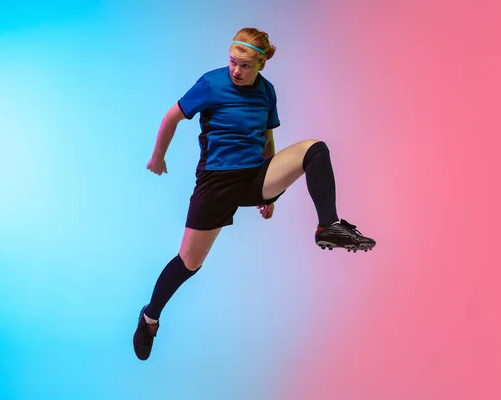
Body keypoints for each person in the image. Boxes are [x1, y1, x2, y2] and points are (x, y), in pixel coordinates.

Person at [133, 27, 376, 361]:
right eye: (233, 62)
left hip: (254, 177)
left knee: (315, 150)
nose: (236, 70)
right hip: (216, 183)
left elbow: (267, 139)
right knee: (189, 263)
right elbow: (171, 117)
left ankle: (328, 226)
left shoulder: (267, 92)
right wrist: (157, 156)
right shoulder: (211, 83)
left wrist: (270, 194)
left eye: (245, 66)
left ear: (261, 64)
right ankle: (150, 316)